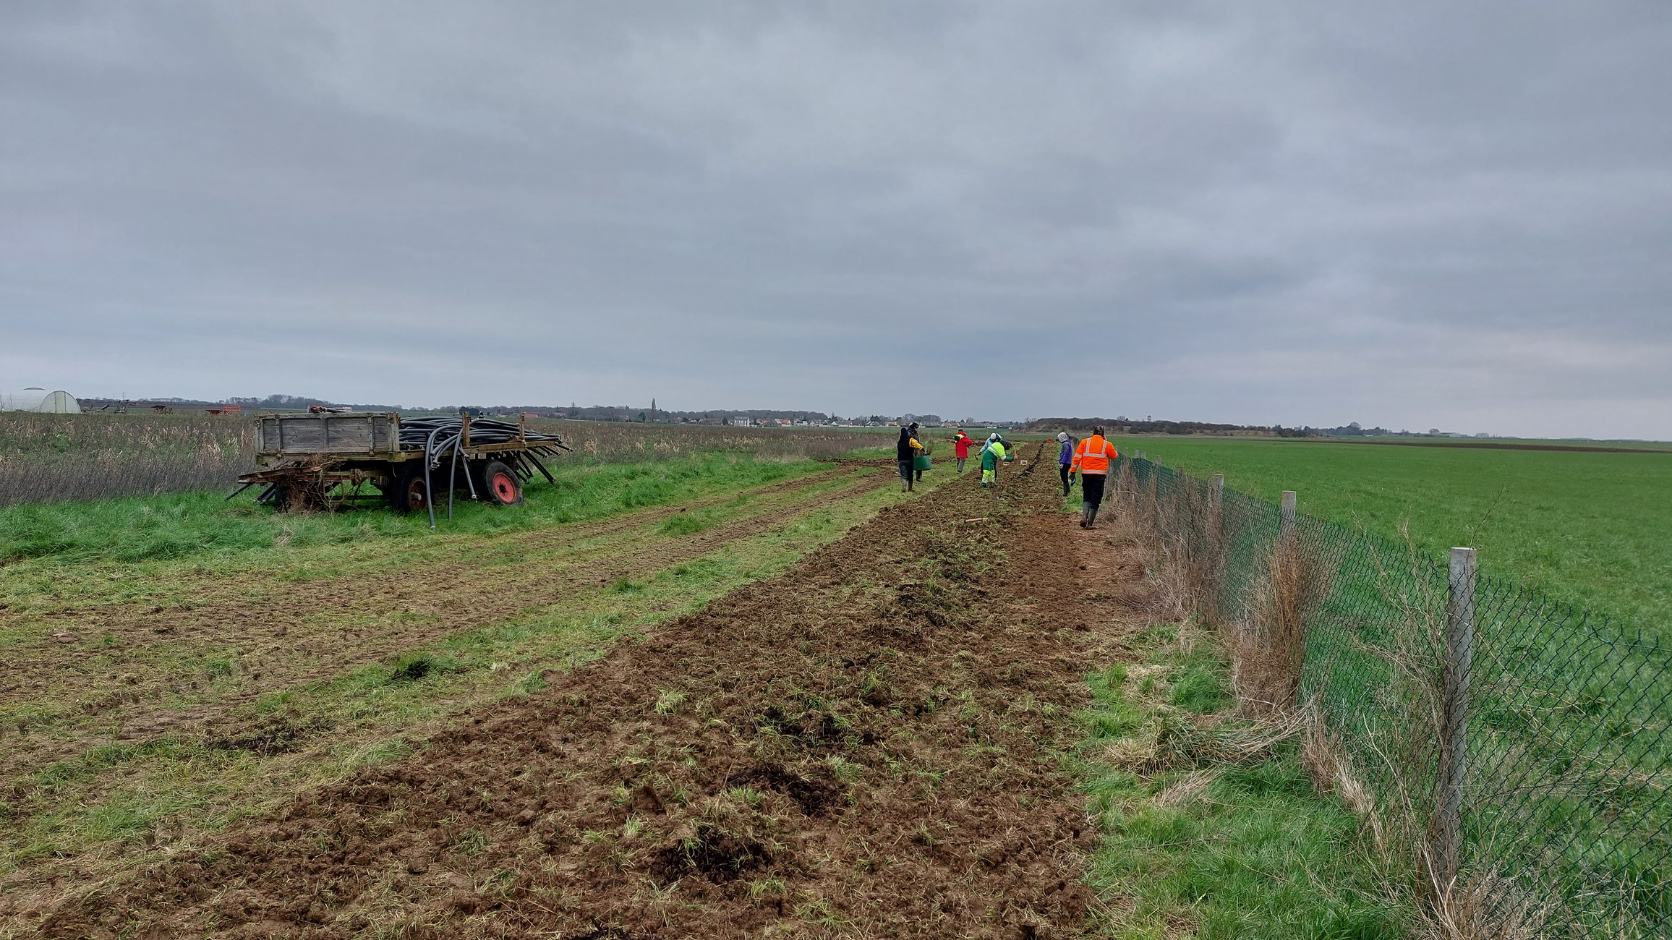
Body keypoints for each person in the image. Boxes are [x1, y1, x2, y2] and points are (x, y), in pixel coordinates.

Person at [1070, 425, 1119, 528]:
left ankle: (1084, 516)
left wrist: (1073, 472)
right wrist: (1106, 441)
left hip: (1086, 474)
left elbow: (1076, 458)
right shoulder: (1107, 444)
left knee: (1087, 495)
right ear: (1103, 434)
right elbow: (1114, 456)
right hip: (1099, 475)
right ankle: (1090, 524)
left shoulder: (1084, 442)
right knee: (1096, 498)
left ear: (1093, 432)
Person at [896, 423, 924, 492]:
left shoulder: (899, 442)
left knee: (903, 474)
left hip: (901, 460)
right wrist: (922, 448)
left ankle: (904, 486)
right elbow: (916, 444)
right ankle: (910, 489)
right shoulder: (910, 439)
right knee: (910, 474)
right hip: (909, 460)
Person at [1056, 431, 1077, 497]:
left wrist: (1062, 462)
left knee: (1063, 477)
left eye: (1059, 438)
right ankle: (1067, 491)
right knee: (1064, 477)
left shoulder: (1065, 444)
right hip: (1067, 462)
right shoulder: (1068, 443)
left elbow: (1065, 454)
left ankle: (1066, 492)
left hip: (1065, 463)